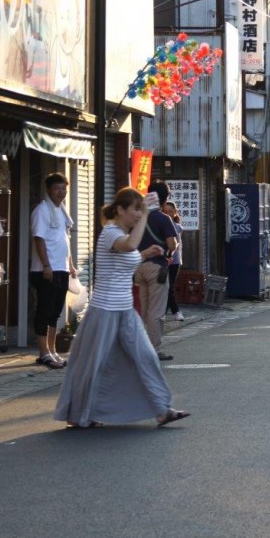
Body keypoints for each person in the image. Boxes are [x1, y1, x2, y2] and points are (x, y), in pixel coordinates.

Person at [53, 187, 190, 429]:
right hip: (104, 310)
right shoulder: (110, 232)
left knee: (146, 357)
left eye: (140, 209)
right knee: (94, 365)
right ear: (120, 210)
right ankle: (78, 414)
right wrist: (147, 217)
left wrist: (146, 253)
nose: (138, 214)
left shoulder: (123, 235)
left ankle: (162, 410)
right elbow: (127, 246)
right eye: (135, 210)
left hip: (125, 311)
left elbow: (128, 255)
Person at [29, 172, 77, 369]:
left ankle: (52, 350)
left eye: (63, 188)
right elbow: (39, 238)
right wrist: (46, 265)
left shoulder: (62, 210)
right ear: (48, 189)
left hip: (62, 268)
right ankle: (43, 352)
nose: (61, 192)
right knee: (44, 310)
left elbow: (65, 239)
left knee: (55, 312)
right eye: (57, 188)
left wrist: (71, 264)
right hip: (46, 269)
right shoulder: (42, 210)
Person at [135, 180, 179, 361]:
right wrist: (169, 251)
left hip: (138, 266)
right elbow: (172, 244)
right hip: (156, 267)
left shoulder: (137, 217)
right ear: (165, 198)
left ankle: (142, 345)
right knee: (157, 310)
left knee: (143, 309)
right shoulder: (163, 218)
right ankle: (154, 348)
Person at [162, 201, 185, 322]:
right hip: (162, 260)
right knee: (166, 287)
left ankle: (175, 311)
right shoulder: (161, 223)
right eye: (165, 212)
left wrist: (169, 255)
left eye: (171, 211)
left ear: (175, 213)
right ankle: (167, 312)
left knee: (169, 286)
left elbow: (174, 244)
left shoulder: (176, 226)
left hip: (174, 261)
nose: (168, 214)